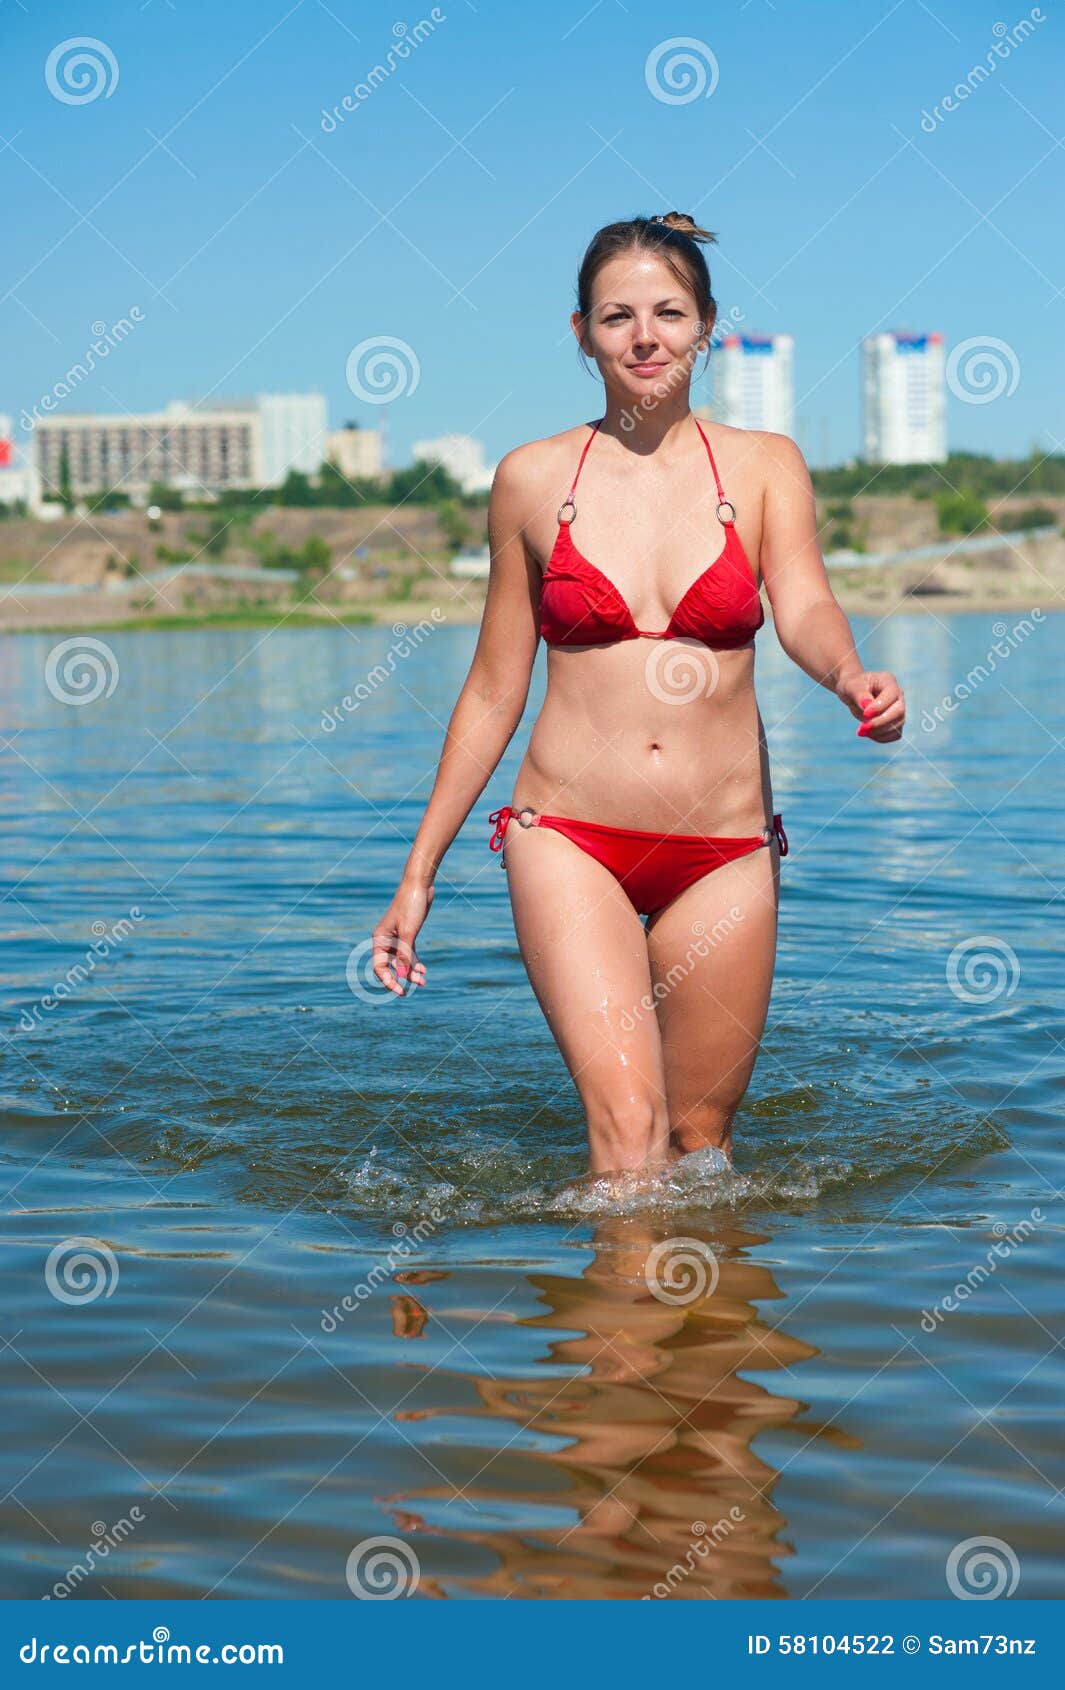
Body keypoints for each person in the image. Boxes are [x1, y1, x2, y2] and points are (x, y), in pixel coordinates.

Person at [372, 212, 905, 1176]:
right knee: (628, 1130)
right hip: (568, 836)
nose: (645, 337)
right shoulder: (531, 479)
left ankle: (693, 1278)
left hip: (724, 850)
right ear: (582, 334)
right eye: (617, 317)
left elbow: (805, 606)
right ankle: (619, 1278)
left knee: (700, 1145)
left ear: (707, 326)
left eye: (668, 313)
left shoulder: (765, 465)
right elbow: (493, 688)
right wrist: (420, 872)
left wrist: (847, 675)